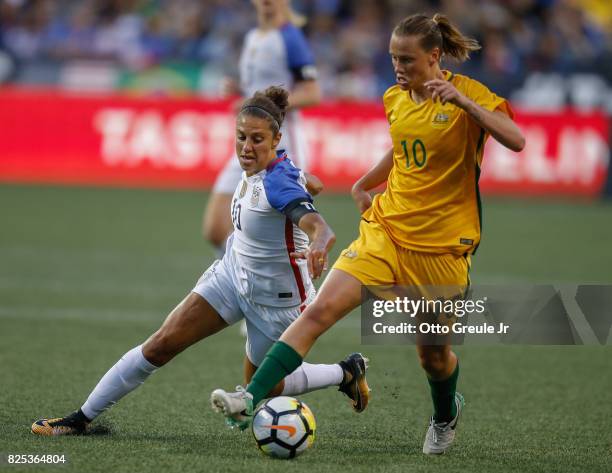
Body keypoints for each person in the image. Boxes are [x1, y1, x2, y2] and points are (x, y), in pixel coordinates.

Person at [211, 13, 525, 455]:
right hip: (386, 228)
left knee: (433, 357)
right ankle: (249, 397)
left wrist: (463, 103)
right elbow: (404, 149)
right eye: (393, 57)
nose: (398, 67)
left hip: (441, 247)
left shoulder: (469, 95)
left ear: (434, 57)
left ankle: (444, 412)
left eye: (408, 59)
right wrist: (364, 183)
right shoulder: (396, 97)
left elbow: (516, 139)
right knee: (318, 313)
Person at [31, 86, 369, 436]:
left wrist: (319, 243)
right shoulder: (264, 168)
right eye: (241, 137)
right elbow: (308, 182)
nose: (246, 147)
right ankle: (80, 419)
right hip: (231, 276)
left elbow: (320, 227)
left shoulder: (279, 181)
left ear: (277, 139)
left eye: (257, 139)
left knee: (269, 388)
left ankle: (345, 372)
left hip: (277, 301)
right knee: (161, 344)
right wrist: (307, 181)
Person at [203, 0, 321, 259]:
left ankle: (287, 289)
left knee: (285, 234)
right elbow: (258, 87)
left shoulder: (290, 37)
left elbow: (312, 93)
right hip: (249, 143)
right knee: (215, 228)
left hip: (281, 143)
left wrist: (261, 104)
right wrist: (240, 91)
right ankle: (246, 276)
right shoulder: (253, 37)